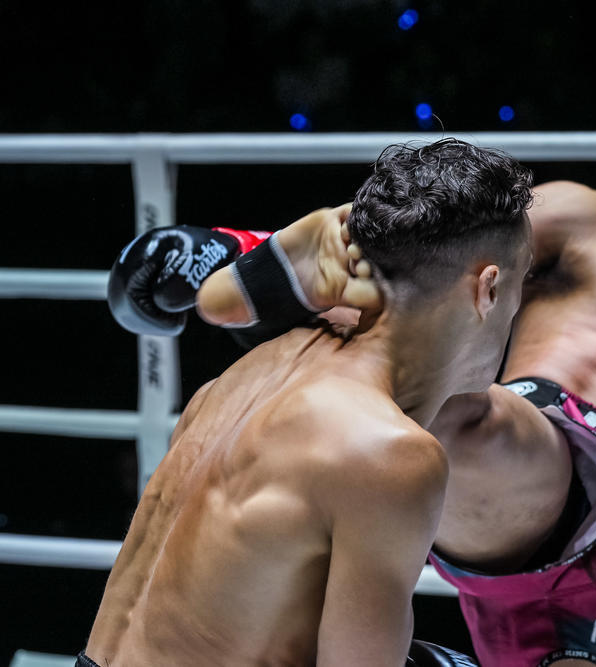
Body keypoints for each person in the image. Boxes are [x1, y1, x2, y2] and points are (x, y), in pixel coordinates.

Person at [111, 44, 596, 666]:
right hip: (534, 454)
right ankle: (250, 263)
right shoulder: (592, 218)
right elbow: (430, 245)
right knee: (439, 389)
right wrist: (232, 246)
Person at [88, 138, 533, 667]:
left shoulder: (250, 372)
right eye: (523, 279)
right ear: (488, 289)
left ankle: (262, 258)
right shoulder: (391, 452)